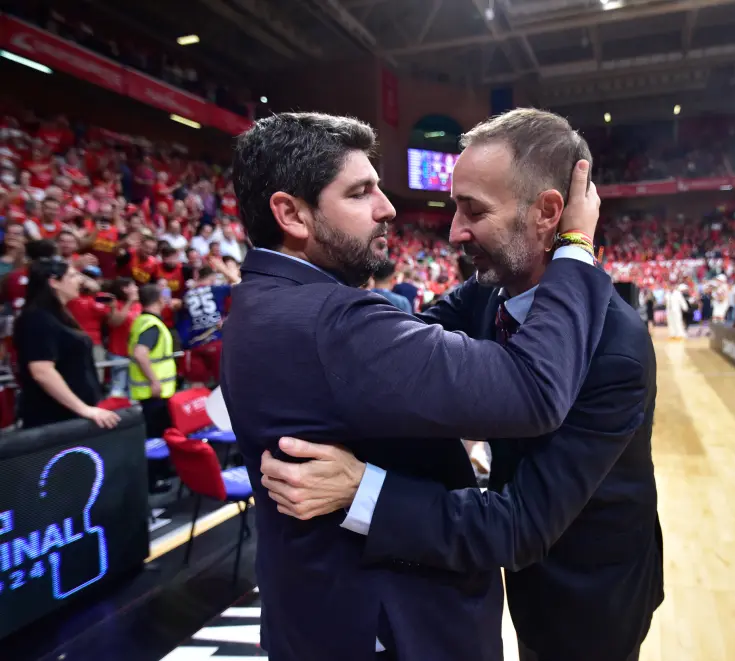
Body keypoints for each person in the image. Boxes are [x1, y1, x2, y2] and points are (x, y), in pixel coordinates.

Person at [261, 109, 662, 661]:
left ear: (548, 214)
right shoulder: (484, 293)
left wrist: (362, 490)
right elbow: (398, 346)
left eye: (474, 210)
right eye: (455, 207)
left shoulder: (615, 347)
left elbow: (521, 523)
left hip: (587, 586)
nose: (454, 231)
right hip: (509, 558)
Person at [13, 257, 119, 429]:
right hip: (55, 420)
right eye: (72, 276)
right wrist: (83, 409)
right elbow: (42, 371)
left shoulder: (60, 314)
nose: (79, 280)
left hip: (73, 416)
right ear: (54, 282)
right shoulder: (37, 318)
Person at [128, 284, 176, 438]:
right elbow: (140, 354)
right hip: (155, 393)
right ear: (160, 300)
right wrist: (154, 381)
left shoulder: (141, 320)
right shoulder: (152, 325)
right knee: (158, 438)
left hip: (150, 393)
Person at [177, 266, 233, 387]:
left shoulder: (187, 295)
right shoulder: (216, 289)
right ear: (212, 278)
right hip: (216, 342)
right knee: (225, 384)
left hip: (195, 345)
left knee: (197, 386)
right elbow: (241, 288)